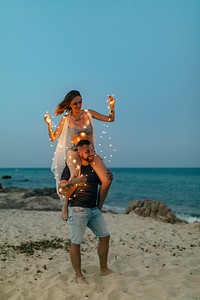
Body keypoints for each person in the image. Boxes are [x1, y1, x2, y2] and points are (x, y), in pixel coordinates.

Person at [44, 90, 115, 206]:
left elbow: (110, 119)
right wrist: (48, 124)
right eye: (75, 103)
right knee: (75, 176)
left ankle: (99, 207)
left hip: (90, 151)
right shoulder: (66, 118)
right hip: (74, 151)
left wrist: (112, 106)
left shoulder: (88, 113)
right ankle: (66, 205)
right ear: (69, 105)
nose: (78, 105)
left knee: (107, 179)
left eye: (80, 102)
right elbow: (53, 137)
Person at [59, 139, 113, 284]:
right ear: (79, 152)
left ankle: (103, 269)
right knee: (76, 243)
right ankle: (78, 275)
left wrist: (109, 178)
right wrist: (73, 182)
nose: (91, 153)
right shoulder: (71, 167)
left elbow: (103, 184)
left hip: (93, 209)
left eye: (92, 150)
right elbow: (62, 188)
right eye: (87, 151)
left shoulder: (94, 167)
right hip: (77, 208)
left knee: (105, 237)